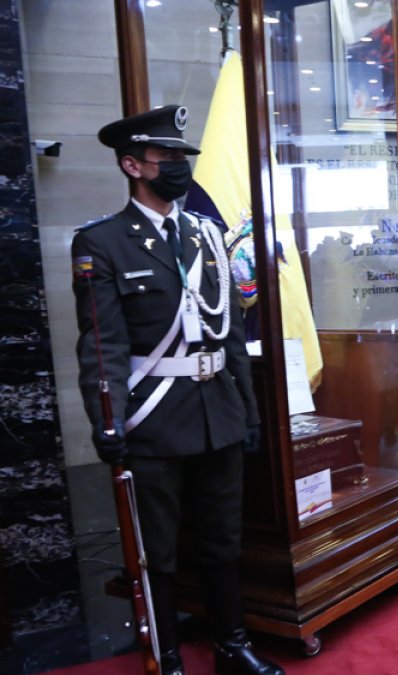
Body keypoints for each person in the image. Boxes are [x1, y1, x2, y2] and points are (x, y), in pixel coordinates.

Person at [72, 105, 283, 675]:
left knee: (223, 540)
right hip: (154, 418)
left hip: (217, 410)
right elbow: (102, 345)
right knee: (156, 549)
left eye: (181, 159)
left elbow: (229, 332)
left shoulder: (206, 235)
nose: (178, 169)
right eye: (166, 160)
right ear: (132, 165)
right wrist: (106, 419)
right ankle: (165, 658)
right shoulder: (103, 243)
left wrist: (247, 407)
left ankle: (231, 645)